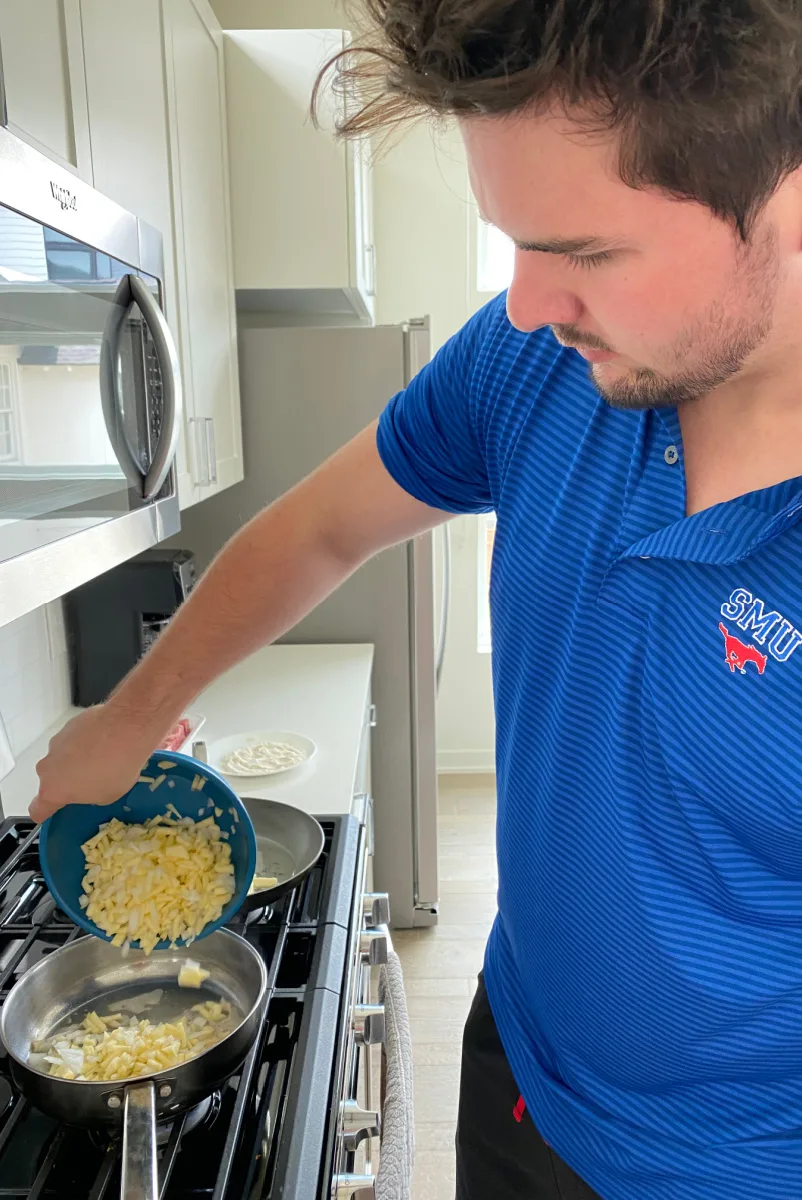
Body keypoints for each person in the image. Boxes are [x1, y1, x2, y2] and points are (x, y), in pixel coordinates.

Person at [30, 1, 802, 1196]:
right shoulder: (533, 358)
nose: (530, 303)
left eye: (586, 252)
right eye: (514, 242)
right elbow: (320, 527)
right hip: (519, 1069)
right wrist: (129, 722)